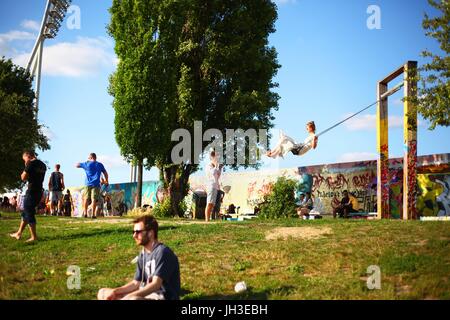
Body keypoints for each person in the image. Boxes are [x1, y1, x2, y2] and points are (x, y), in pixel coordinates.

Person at [97, 215, 181, 300]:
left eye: (138, 232)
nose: (134, 235)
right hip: (147, 295)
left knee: (133, 299)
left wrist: (129, 296)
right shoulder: (143, 254)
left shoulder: (163, 252)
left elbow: (156, 285)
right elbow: (136, 283)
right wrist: (115, 291)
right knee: (103, 292)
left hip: (162, 296)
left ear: (150, 233)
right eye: (133, 232)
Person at [9, 151, 47, 242]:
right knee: (26, 213)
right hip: (39, 191)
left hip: (31, 191)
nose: (24, 161)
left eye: (24, 159)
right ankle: (18, 233)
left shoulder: (30, 164)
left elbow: (23, 177)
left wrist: (26, 165)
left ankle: (34, 237)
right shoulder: (43, 165)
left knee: (29, 213)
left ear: (28, 156)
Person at [76, 153, 108, 219]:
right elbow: (105, 173)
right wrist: (106, 180)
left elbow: (77, 165)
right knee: (94, 199)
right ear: (95, 157)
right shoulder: (99, 164)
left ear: (90, 157)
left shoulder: (86, 164)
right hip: (96, 184)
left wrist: (85, 162)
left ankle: (85, 213)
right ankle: (93, 214)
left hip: (87, 184)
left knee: (86, 198)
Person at [205, 150, 223, 222]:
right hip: (211, 185)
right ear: (212, 157)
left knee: (212, 204)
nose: (217, 158)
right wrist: (216, 166)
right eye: (216, 156)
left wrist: (220, 169)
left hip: (215, 186)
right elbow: (212, 173)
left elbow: (217, 176)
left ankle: (208, 219)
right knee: (209, 203)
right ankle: (207, 219)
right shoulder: (209, 165)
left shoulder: (215, 166)